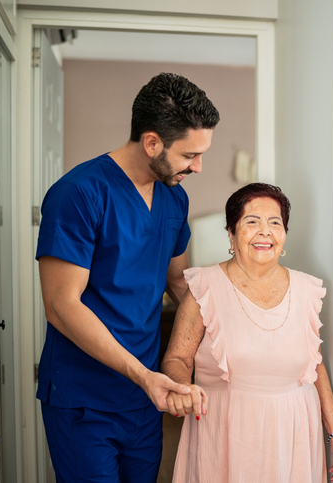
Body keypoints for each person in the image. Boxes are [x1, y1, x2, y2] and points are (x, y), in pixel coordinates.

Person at [35, 73, 219, 483]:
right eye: (190, 155)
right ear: (152, 142)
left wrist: (235, 332)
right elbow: (61, 306)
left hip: (144, 399)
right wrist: (144, 375)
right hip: (85, 401)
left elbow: (178, 283)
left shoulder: (174, 195)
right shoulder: (78, 194)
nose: (199, 167)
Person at [161, 183, 333, 482]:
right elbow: (177, 358)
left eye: (275, 223)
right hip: (225, 433)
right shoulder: (204, 286)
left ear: (284, 235)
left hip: (295, 434)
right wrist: (184, 388)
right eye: (252, 222)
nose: (265, 231)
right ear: (232, 233)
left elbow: (313, 364)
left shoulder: (306, 289)